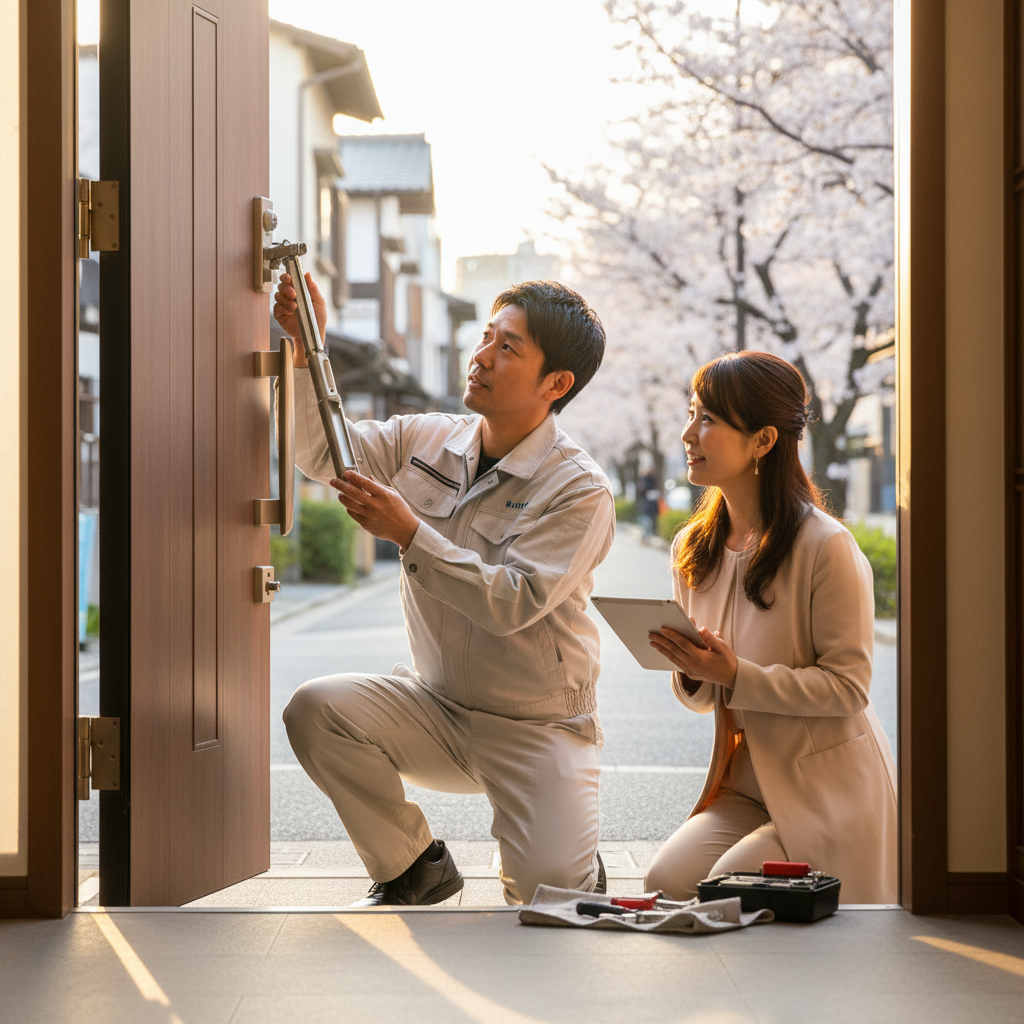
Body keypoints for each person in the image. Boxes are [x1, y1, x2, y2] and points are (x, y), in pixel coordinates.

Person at [274, 273, 615, 906]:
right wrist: (305, 345)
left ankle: (571, 854)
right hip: (435, 709)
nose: (482, 356)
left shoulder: (579, 489)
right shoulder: (425, 438)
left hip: (536, 728)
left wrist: (411, 535)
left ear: (556, 384)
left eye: (508, 347)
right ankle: (412, 866)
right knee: (315, 709)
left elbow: (512, 601)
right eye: (487, 337)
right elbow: (326, 452)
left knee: (552, 904)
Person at [644, 351, 897, 904]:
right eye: (692, 413)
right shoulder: (694, 549)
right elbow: (707, 699)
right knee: (665, 881)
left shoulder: (825, 546)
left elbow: (849, 687)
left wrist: (737, 673)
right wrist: (693, 672)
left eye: (708, 419)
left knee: (723, 892)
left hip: (827, 790)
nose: (689, 433)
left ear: (762, 441)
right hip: (747, 788)